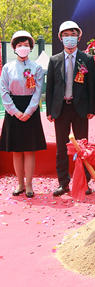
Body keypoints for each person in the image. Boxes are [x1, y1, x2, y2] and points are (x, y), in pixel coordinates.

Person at [46, 21, 95, 197]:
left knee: (82, 147)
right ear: (60, 38)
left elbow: (91, 87)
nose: (69, 38)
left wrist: (91, 109)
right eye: (66, 35)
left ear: (78, 37)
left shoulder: (87, 59)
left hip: (80, 108)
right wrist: (49, 111)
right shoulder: (54, 60)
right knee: (61, 147)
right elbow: (50, 87)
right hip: (60, 109)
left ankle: (84, 182)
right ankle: (63, 183)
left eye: (73, 35)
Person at [0, 31, 47, 198]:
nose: (22, 48)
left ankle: (29, 185)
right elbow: (4, 91)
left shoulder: (37, 68)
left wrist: (28, 112)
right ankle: (19, 183)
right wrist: (15, 111)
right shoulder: (7, 68)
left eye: (26, 45)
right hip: (13, 110)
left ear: (31, 47)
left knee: (29, 150)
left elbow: (38, 92)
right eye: (19, 45)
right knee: (17, 150)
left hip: (30, 110)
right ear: (14, 48)